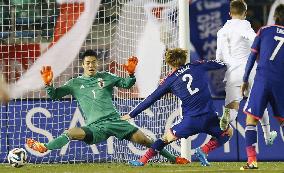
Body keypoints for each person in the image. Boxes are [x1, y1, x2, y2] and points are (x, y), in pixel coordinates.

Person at [26, 49, 189, 164]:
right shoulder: (74, 84)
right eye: (88, 63)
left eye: (94, 63)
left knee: (146, 140)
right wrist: (48, 84)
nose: (91, 66)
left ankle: (175, 159)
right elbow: (54, 95)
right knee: (71, 132)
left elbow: (126, 84)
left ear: (97, 64)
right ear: (82, 65)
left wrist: (131, 74)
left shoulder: (107, 77)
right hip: (96, 127)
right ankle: (44, 147)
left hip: (116, 122)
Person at [121, 48, 233, 166]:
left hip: (190, 121)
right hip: (210, 117)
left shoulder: (169, 81)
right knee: (228, 132)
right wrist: (233, 61)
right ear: (184, 59)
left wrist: (131, 114)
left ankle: (141, 161)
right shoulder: (197, 65)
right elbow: (219, 64)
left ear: (168, 63)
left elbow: (150, 99)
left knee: (164, 139)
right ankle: (204, 150)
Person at [217, 0, 277, 145]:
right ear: (245, 13)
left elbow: (219, 58)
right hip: (249, 71)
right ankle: (268, 135)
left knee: (233, 106)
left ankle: (227, 116)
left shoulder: (221, 31)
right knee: (258, 102)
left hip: (231, 73)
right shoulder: (244, 25)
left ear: (230, 13)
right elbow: (255, 39)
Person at [240, 4, 284, 170]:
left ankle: (252, 161)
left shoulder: (264, 30)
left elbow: (252, 57)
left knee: (251, 119)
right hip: (281, 82)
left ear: (276, 16)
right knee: (282, 120)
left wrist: (245, 79)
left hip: (263, 79)